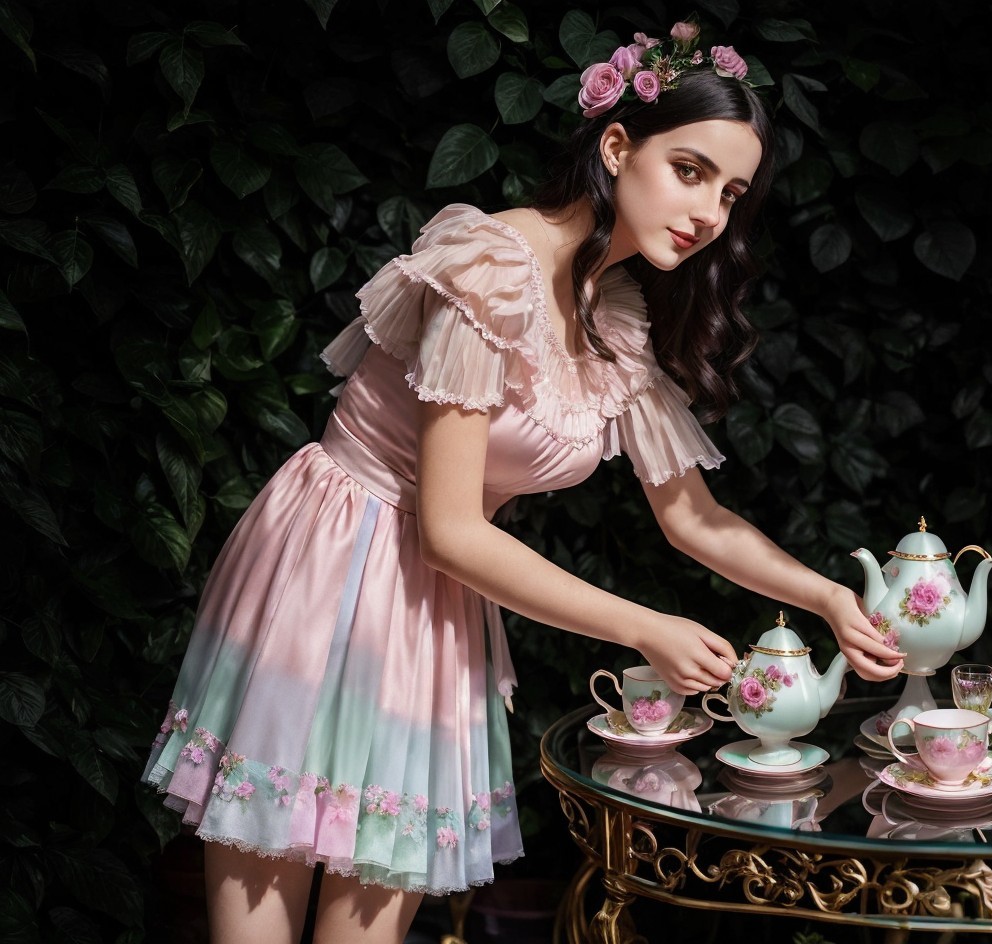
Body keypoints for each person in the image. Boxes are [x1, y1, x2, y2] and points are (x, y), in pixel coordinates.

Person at [142, 19, 905, 944]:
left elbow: (694, 518)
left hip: (435, 606)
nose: (710, 213)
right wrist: (642, 625)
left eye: (733, 193)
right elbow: (452, 529)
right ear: (618, 146)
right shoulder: (491, 269)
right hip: (335, 562)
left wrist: (828, 597)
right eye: (691, 170)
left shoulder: (610, 318)